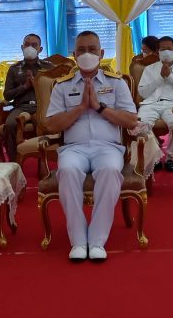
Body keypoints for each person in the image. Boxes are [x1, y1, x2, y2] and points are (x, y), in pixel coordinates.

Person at [45, 31, 137, 261]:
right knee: (66, 171)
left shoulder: (116, 83)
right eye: (82, 50)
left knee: (110, 171)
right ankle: (78, 241)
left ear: (101, 53)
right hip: (73, 148)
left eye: (92, 49)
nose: (87, 54)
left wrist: (98, 107)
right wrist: (80, 108)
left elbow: (130, 120)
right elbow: (52, 124)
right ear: (74, 55)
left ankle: (96, 241)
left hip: (108, 147)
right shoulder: (62, 86)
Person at [2, 34, 53, 161]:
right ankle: (14, 161)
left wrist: (37, 85)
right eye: (27, 44)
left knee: (52, 123)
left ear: (40, 49)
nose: (30, 47)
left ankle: (48, 160)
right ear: (22, 47)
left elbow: (57, 90)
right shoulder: (14, 69)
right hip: (21, 107)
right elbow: (7, 95)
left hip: (44, 107)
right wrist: (24, 87)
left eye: (34, 45)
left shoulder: (49, 67)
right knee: (10, 124)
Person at [137, 36, 173, 172]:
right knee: (141, 124)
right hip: (150, 104)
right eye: (163, 49)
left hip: (172, 104)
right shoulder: (149, 69)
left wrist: (170, 77)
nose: (166, 52)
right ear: (157, 51)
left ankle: (170, 158)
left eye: (170, 49)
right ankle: (154, 158)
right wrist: (159, 78)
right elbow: (143, 92)